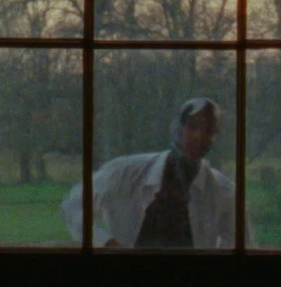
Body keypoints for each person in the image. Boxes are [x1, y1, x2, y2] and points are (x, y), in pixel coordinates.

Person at [61, 97, 246, 249]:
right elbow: (73, 206)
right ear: (178, 129)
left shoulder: (223, 191)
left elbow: (240, 242)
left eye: (209, 130)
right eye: (193, 126)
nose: (200, 136)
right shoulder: (124, 172)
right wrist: (107, 243)